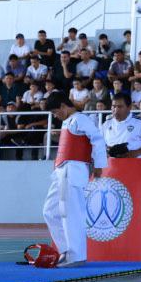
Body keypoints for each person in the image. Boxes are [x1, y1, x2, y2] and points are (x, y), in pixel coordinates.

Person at [37, 90, 106, 265]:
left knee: (70, 213)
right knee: (50, 211)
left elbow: (97, 139)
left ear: (63, 106)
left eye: (55, 112)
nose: (55, 116)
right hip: (61, 172)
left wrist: (99, 165)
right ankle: (66, 250)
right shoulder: (67, 122)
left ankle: (76, 255)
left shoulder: (80, 119)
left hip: (73, 171)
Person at [102, 92, 141, 159]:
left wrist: (136, 153)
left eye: (120, 107)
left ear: (129, 107)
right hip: (113, 164)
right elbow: (98, 145)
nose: (116, 110)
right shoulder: (106, 124)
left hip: (137, 163)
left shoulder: (139, 122)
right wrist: (109, 152)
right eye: (114, 106)